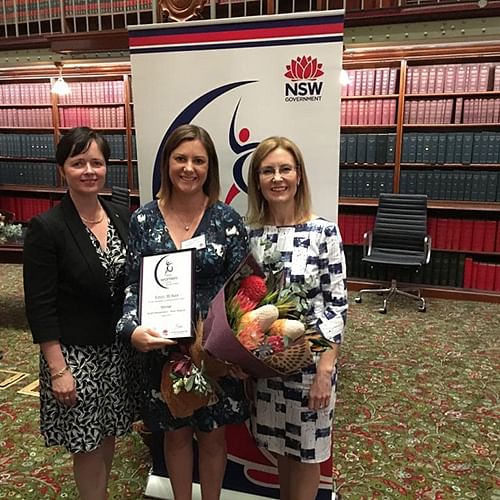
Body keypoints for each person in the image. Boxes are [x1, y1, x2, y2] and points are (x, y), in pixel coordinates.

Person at [117, 124, 249, 500]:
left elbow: (242, 293)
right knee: (173, 437)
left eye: (198, 160)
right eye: (180, 158)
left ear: (210, 168)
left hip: (213, 354)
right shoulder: (144, 219)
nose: (188, 168)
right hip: (161, 351)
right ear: (166, 163)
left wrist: (240, 348)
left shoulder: (226, 221)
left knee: (212, 436)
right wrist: (131, 330)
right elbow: (132, 284)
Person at [23, 127, 135, 500]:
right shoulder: (47, 227)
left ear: (107, 168)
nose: (89, 170)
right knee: (85, 446)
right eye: (78, 162)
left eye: (97, 162)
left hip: (116, 353)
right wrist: (58, 370)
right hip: (74, 358)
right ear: (62, 169)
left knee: (106, 437)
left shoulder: (121, 216)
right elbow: (39, 305)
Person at [246, 136, 348, 500]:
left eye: (285, 169)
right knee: (281, 448)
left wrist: (325, 371)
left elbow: (336, 305)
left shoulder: (324, 232)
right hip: (268, 366)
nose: (277, 178)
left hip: (311, 367)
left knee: (307, 454)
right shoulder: (251, 234)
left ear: (299, 175)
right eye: (268, 170)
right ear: (257, 180)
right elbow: (245, 303)